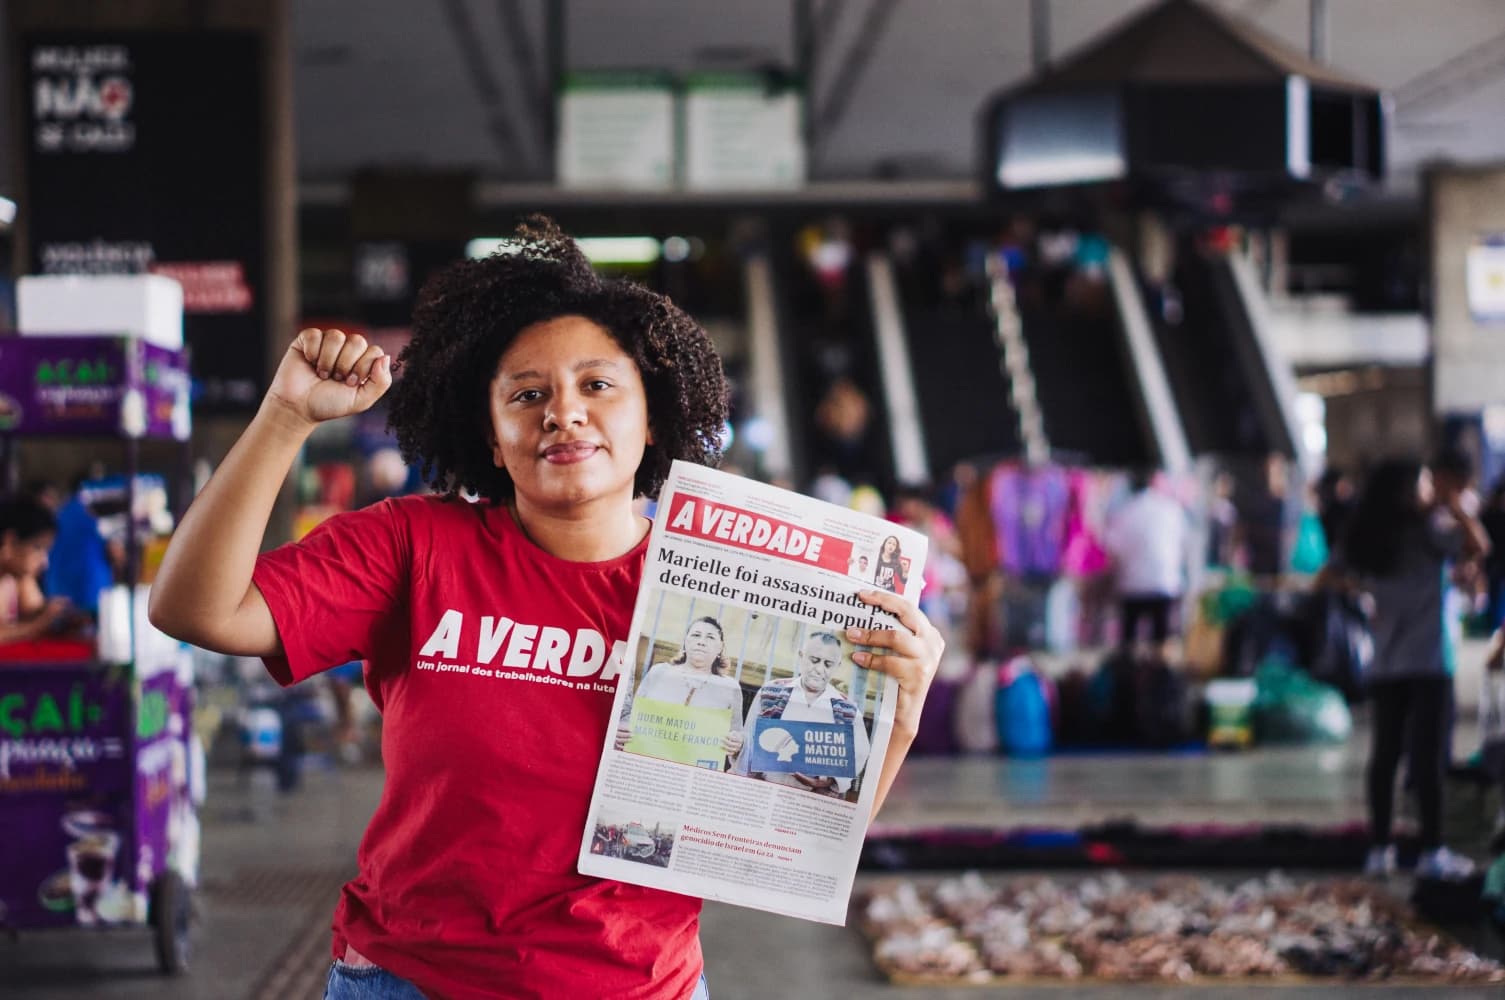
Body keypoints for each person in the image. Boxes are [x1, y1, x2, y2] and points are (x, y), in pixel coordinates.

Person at [147, 217, 943, 1000]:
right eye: (527, 395)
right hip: (412, 984)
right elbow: (197, 610)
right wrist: (284, 418)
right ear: (491, 438)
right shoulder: (412, 548)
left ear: (652, 416)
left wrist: (895, 717)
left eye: (597, 385)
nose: (562, 412)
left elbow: (780, 843)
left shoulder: (719, 588)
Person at [1341, 459, 1489, 880]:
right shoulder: (1427, 533)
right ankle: (1432, 850)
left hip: (1385, 661)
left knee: (1384, 755)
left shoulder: (1366, 535)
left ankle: (1379, 847)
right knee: (1427, 759)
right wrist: (1454, 506)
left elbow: (1334, 576)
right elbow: (1479, 545)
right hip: (1428, 660)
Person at [732, 630, 872, 798]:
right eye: (814, 660)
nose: (819, 669)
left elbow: (859, 755)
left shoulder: (847, 709)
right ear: (801, 656)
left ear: (838, 666)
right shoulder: (771, 691)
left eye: (828, 664)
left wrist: (831, 780)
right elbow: (749, 738)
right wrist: (740, 745)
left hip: (814, 802)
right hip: (764, 792)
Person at [615, 616, 745, 765]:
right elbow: (633, 715)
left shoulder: (730, 687)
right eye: (696, 635)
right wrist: (623, 730)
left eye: (710, 637)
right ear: (685, 641)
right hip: (646, 764)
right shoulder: (659, 672)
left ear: (720, 647)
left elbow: (736, 733)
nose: (701, 641)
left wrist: (737, 743)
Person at [1103, 468, 1188, 653]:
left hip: (1132, 585)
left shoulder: (1126, 511)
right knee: (1161, 640)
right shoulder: (1170, 509)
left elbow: (1113, 548)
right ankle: (1159, 675)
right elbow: (1182, 544)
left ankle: (1128, 674)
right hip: (1163, 583)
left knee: (1129, 642)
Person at [0, 496, 72, 644]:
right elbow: (36, 623)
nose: (44, 562)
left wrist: (60, 616)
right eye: (37, 548)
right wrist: (35, 626)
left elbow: (35, 610)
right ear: (10, 541)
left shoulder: (18, 578)